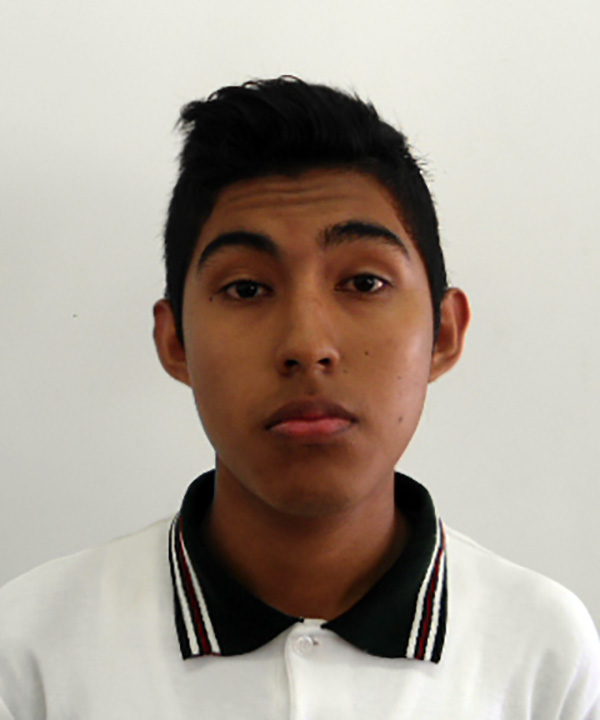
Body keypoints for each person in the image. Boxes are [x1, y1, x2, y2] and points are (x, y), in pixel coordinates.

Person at [0, 76, 598, 718]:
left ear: (444, 333)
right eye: (247, 289)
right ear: (175, 342)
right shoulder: (34, 648)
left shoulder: (540, 649)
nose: (307, 345)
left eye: (364, 282)